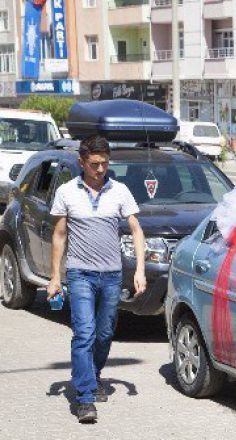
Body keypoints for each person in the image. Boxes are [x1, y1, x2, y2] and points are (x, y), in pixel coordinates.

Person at [47, 135, 146, 423]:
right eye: (94, 164)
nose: (100, 169)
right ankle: (85, 397)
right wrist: (55, 277)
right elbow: (59, 235)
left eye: (104, 163)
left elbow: (136, 230)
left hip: (112, 275)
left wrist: (139, 270)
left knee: (104, 334)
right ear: (82, 162)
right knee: (84, 333)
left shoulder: (120, 190)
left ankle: (94, 373)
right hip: (80, 275)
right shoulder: (67, 192)